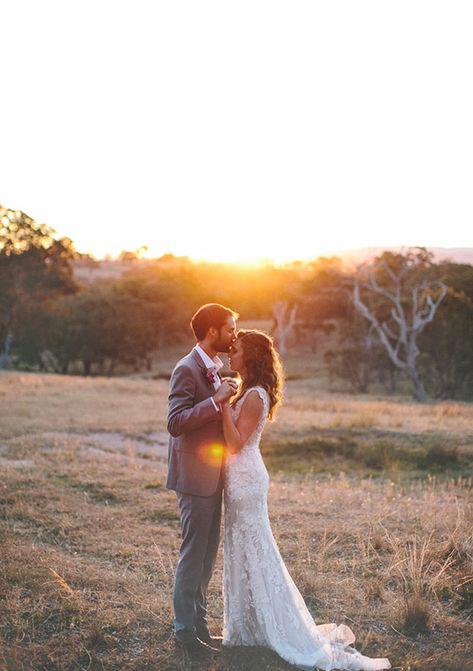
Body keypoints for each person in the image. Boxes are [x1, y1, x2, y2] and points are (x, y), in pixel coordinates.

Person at [220, 329, 391, 671]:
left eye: (235, 351)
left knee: (256, 550)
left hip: (246, 479)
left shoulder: (253, 395)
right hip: (239, 477)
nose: (230, 356)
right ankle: (247, 628)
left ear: (251, 356)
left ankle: (273, 629)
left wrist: (221, 404)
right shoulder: (247, 390)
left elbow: (236, 443)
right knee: (242, 550)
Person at [166, 303, 238, 656]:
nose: (234, 335)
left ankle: (200, 626)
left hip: (213, 475)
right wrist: (216, 401)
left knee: (208, 555)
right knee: (193, 553)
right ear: (212, 331)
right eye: (230, 328)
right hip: (194, 476)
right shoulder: (186, 368)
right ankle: (183, 632)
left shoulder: (213, 368)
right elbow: (176, 422)